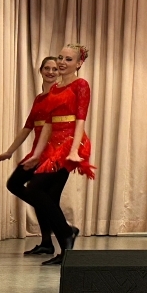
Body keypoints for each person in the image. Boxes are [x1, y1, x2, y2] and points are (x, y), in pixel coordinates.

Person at [26, 43, 95, 266]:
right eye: (61, 58)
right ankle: (66, 241)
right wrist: (37, 154)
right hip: (53, 145)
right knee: (48, 195)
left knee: (36, 188)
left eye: (68, 59)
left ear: (79, 63)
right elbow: (47, 124)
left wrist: (73, 150)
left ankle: (65, 233)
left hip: (70, 144)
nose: (62, 63)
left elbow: (81, 119)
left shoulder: (81, 85)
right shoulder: (55, 88)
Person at [0, 56, 60, 256]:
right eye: (47, 68)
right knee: (16, 185)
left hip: (53, 154)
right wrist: (9, 151)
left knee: (43, 195)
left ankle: (58, 235)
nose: (51, 72)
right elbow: (27, 127)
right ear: (40, 70)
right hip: (36, 153)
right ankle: (47, 241)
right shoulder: (39, 99)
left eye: (55, 69)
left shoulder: (61, 95)